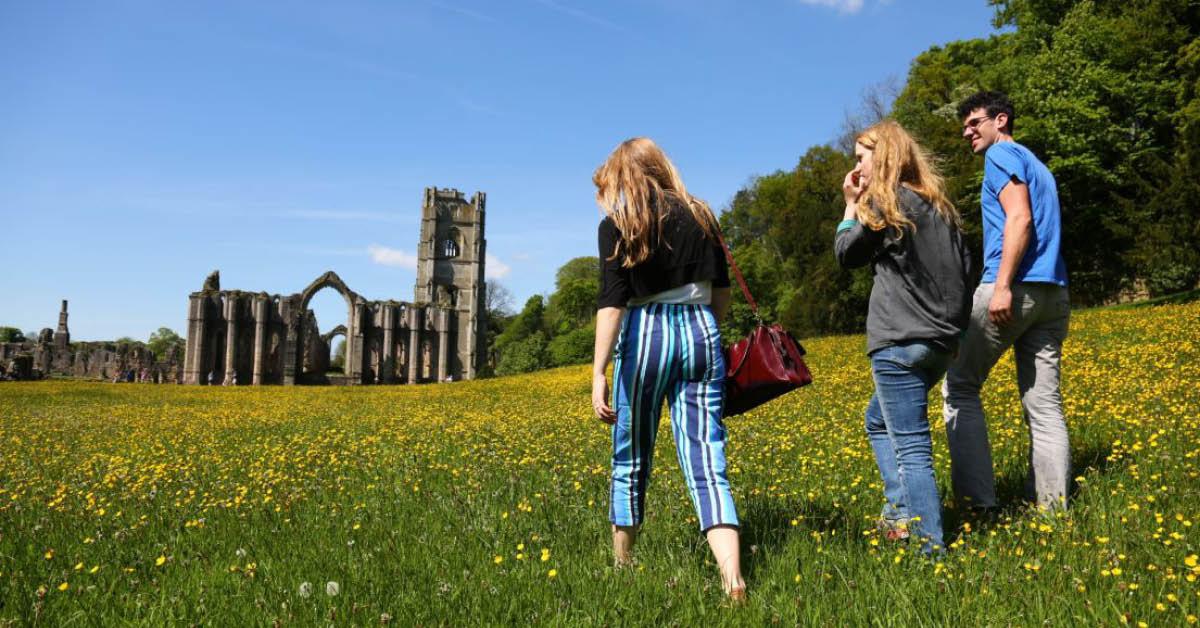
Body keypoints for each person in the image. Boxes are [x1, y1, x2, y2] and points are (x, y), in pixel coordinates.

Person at [590, 137, 745, 600]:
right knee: (706, 459)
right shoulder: (702, 214)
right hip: (701, 329)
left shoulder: (617, 224)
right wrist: (705, 335)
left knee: (631, 455)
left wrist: (599, 371)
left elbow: (612, 305)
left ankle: (622, 566)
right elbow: (721, 291)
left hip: (644, 334)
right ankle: (733, 578)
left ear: (627, 177)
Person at [834, 120, 972, 554]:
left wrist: (849, 205)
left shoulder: (884, 205)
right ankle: (898, 512)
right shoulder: (940, 207)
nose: (857, 166)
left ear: (884, 156)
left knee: (912, 447)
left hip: (898, 344)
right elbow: (968, 272)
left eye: (861, 157)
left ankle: (929, 547)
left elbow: (845, 254)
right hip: (939, 344)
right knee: (877, 420)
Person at [943, 91, 1071, 513]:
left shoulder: (1001, 157)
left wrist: (1001, 286)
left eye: (974, 122)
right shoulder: (1040, 166)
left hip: (1015, 288)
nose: (967, 132)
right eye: (964, 126)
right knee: (1044, 406)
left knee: (959, 385)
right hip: (1054, 291)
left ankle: (977, 505)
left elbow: (1020, 218)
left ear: (1000, 121)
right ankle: (1053, 513)